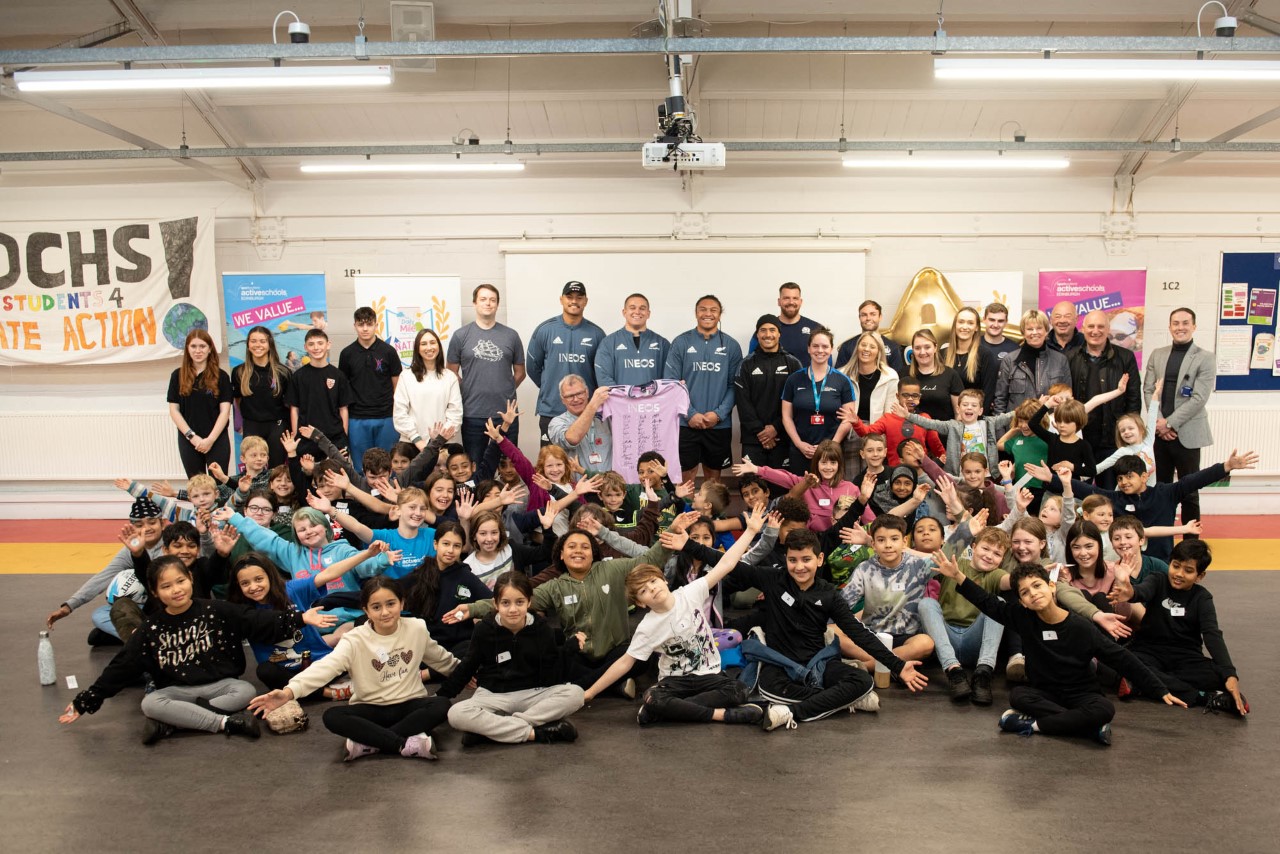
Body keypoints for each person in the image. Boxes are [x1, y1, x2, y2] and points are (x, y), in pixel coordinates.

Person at [60, 556, 323, 745]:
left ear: (190, 579)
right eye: (166, 586)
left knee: (245, 691)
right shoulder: (151, 628)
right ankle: (227, 723)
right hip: (177, 691)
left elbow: (256, 621)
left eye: (180, 581)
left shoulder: (215, 609)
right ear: (154, 592)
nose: (176, 590)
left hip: (222, 687)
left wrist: (299, 619)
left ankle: (175, 722)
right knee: (150, 702)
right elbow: (122, 665)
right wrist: (87, 700)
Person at [934, 555, 1185, 746]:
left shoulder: (1080, 627)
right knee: (1018, 696)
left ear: (1051, 587)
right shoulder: (1022, 618)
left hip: (1081, 693)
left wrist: (1159, 689)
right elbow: (987, 603)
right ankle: (1086, 728)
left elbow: (1122, 658)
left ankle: (1033, 725)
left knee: (1104, 709)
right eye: (1025, 592)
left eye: (1037, 586)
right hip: (1044, 693)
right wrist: (958, 577)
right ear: (1021, 601)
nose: (1033, 594)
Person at [728, 529, 929, 730]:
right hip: (779, 666)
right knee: (773, 689)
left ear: (820, 559)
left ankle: (790, 712)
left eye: (806, 559)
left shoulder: (828, 593)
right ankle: (846, 700)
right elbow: (727, 563)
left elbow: (859, 633)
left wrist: (898, 666)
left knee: (862, 680)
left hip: (819, 664)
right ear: (785, 559)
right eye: (793, 560)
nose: (799, 567)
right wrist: (697, 545)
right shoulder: (772, 579)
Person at [582, 508, 766, 725]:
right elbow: (625, 662)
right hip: (673, 682)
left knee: (738, 690)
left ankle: (670, 711)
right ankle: (721, 715)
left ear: (664, 580)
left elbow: (726, 564)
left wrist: (751, 531)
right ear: (641, 602)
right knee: (653, 697)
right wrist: (590, 693)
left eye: (652, 582)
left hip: (709, 675)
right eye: (643, 591)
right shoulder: (647, 626)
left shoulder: (691, 592)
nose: (651, 589)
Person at [248, 576, 461, 761]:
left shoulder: (416, 628)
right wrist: (288, 692)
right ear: (366, 610)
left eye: (391, 604)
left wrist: (464, 672)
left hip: (409, 704)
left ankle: (371, 742)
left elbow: (440, 658)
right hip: (370, 708)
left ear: (402, 603)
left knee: (441, 705)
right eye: (376, 607)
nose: (385, 612)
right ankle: (405, 744)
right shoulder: (354, 639)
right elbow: (326, 667)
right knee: (332, 716)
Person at [438, 572, 584, 745]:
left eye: (520, 602)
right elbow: (467, 666)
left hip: (533, 694)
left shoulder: (542, 629)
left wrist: (567, 651)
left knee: (576, 694)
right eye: (505, 603)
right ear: (496, 604)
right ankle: (535, 733)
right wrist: (441, 696)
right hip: (493, 695)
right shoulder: (484, 629)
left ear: (529, 602)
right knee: (456, 713)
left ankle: (492, 730)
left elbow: (552, 672)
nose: (513, 609)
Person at [1040, 449, 1258, 562]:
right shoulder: (1115, 500)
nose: (1124, 482)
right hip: (1123, 561)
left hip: (1160, 560)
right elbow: (1087, 491)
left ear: (1144, 476)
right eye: (1119, 479)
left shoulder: (1165, 493)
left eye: (1129, 477)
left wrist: (1226, 466)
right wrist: (1053, 478)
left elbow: (1193, 480)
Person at [1110, 539, 1248, 716]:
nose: (1179, 574)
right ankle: (1202, 697)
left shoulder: (1202, 598)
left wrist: (1230, 674)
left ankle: (1143, 685)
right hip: (1149, 651)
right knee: (1129, 661)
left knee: (1217, 674)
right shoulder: (1157, 580)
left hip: (1186, 657)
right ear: (1170, 563)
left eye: (1188, 570)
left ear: (1200, 576)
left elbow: (1212, 634)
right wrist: (1128, 591)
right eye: (1176, 566)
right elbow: (1140, 592)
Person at [45, 496, 167, 645]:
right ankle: (142, 637)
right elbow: (103, 577)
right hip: (143, 607)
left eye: (152, 522)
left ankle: (132, 636)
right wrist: (69, 606)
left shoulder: (171, 544)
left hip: (166, 604)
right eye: (139, 524)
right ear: (132, 527)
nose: (146, 528)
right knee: (100, 614)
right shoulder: (130, 550)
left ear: (162, 523)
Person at [918, 526, 1010, 706]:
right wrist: (965, 527)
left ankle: (984, 672)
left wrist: (1038, 574)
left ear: (1002, 559)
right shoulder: (955, 563)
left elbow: (1010, 582)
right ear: (973, 547)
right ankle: (954, 671)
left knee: (998, 602)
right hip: (945, 639)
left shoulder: (995, 574)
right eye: (985, 548)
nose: (989, 556)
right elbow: (933, 561)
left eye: (997, 554)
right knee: (927, 603)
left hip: (974, 642)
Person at [1143, 308, 1215, 531]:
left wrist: (1170, 423)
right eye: (1175, 323)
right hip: (1160, 434)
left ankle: (1191, 544)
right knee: (1161, 490)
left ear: (1194, 326)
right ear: (1169, 326)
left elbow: (1198, 398)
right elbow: (1147, 389)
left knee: (1189, 491)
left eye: (1185, 323)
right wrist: (1159, 422)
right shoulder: (1157, 354)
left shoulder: (1205, 358)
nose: (1180, 327)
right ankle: (1162, 540)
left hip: (1188, 435)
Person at [664, 295, 743, 483]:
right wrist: (689, 414)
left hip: (718, 424)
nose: (708, 313)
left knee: (713, 479)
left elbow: (735, 386)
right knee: (687, 476)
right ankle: (686, 513)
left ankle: (710, 513)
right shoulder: (681, 342)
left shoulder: (731, 346)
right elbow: (672, 384)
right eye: (703, 309)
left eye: (713, 310)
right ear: (696, 313)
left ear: (720, 314)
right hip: (686, 423)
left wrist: (718, 414)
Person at [446, 284, 527, 463]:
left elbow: (521, 372)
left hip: (506, 414)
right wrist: (468, 389)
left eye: (492, 300)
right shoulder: (460, 335)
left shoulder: (511, 335)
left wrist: (504, 388)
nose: (488, 303)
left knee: (509, 465)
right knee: (476, 465)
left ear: (497, 304)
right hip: (473, 413)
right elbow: (451, 370)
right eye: (483, 299)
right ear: (474, 303)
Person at [526, 281, 606, 442]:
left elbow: (601, 373)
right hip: (551, 410)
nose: (574, 301)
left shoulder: (597, 334)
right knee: (551, 464)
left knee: (586, 462)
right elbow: (533, 368)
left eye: (579, 297)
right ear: (561, 299)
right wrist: (552, 388)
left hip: (585, 412)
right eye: (569, 297)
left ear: (586, 301)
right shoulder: (545, 330)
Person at [1069, 309, 1142, 484]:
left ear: (1108, 329)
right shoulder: (1070, 357)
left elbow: (1133, 399)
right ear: (1083, 328)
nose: (1096, 331)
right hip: (1080, 438)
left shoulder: (1125, 357)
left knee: (1110, 492)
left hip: (1113, 440)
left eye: (1101, 326)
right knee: (1079, 491)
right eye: (1091, 326)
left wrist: (1128, 434)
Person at [733, 440, 858, 532]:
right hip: (811, 542)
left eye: (833, 462)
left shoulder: (851, 488)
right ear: (817, 464)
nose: (828, 467)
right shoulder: (808, 482)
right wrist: (756, 469)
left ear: (839, 464)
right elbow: (784, 477)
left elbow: (868, 518)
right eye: (824, 462)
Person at [778, 328, 855, 474]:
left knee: (829, 493)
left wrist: (831, 446)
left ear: (831, 349)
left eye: (825, 346)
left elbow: (848, 419)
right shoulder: (793, 379)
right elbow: (786, 416)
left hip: (831, 453)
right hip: (801, 450)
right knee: (801, 493)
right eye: (815, 346)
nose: (820, 350)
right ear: (808, 348)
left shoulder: (843, 381)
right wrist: (799, 444)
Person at [338, 307, 402, 472]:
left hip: (387, 417)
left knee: (387, 466)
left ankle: (387, 497)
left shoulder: (389, 352)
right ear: (355, 326)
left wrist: (396, 412)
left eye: (369, 324)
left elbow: (397, 385)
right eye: (361, 324)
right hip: (357, 419)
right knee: (361, 467)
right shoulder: (347, 354)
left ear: (376, 325)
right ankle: (363, 498)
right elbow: (343, 388)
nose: (365, 328)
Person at [898, 388, 1014, 477]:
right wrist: (908, 415)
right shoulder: (952, 426)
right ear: (958, 409)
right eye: (965, 405)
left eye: (974, 405)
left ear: (980, 411)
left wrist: (1027, 408)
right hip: (958, 475)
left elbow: (1009, 416)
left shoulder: (989, 423)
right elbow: (930, 423)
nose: (969, 408)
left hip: (985, 475)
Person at [167, 328, 233, 477]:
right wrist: (192, 437)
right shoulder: (177, 376)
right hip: (189, 439)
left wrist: (210, 440)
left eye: (202, 346)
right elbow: (174, 410)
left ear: (210, 349)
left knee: (219, 486)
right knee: (197, 485)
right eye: (193, 346)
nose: (198, 351)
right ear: (187, 349)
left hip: (216, 438)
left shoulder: (221, 377)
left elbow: (225, 412)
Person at [844, 375, 946, 468]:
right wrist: (856, 422)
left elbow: (936, 445)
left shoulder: (925, 418)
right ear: (897, 396)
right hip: (895, 471)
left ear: (919, 397)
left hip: (921, 471)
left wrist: (945, 460)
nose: (910, 399)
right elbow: (867, 432)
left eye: (914, 396)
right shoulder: (888, 419)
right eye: (905, 395)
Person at [836, 331, 899, 482]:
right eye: (863, 345)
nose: (866, 349)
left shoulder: (890, 376)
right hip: (849, 431)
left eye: (872, 346)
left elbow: (889, 413)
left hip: (876, 432)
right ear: (857, 348)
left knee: (873, 479)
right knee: (850, 481)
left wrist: (872, 433)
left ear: (879, 351)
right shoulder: (841, 374)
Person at [286, 327, 352, 461]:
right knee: (308, 478)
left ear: (328, 345)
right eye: (311, 344)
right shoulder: (298, 376)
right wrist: (296, 436)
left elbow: (343, 408)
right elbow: (294, 409)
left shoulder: (338, 375)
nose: (316, 347)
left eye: (320, 343)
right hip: (306, 439)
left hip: (334, 438)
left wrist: (343, 435)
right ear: (305, 347)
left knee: (335, 479)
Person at [392, 327, 463, 452]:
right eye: (423, 344)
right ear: (417, 349)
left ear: (439, 346)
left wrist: (439, 440)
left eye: (432, 342)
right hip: (412, 444)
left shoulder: (450, 377)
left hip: (444, 445)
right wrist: (417, 440)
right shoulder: (406, 376)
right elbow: (400, 413)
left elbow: (455, 413)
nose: (429, 347)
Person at [232, 325, 292, 469]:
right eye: (253, 341)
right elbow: (238, 400)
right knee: (253, 470)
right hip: (252, 425)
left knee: (276, 469)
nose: (258, 345)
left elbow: (291, 405)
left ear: (269, 343)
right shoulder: (239, 372)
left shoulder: (283, 372)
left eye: (262, 341)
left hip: (277, 426)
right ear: (248, 344)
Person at [993, 309, 1072, 414]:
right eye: (1030, 329)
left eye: (1039, 328)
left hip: (1050, 426)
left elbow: (1067, 400)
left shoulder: (1060, 360)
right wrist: (1001, 430)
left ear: (1046, 331)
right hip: (1017, 426)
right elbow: (1000, 400)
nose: (1035, 333)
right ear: (1023, 332)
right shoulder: (1010, 360)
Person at [594, 292, 670, 387]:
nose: (637, 312)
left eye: (642, 308)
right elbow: (604, 378)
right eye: (632, 308)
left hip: (653, 402)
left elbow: (669, 379)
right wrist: (622, 398)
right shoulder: (608, 343)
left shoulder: (662, 344)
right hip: (620, 401)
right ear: (624, 312)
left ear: (648, 314)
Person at [747, 282, 822, 367]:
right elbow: (750, 363)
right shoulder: (765, 331)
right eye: (786, 298)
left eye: (795, 298)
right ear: (779, 301)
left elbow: (826, 363)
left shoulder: (816, 329)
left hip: (807, 380)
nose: (791, 302)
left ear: (800, 302)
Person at [548, 376, 613, 474]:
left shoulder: (607, 416)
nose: (576, 399)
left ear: (587, 392)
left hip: (610, 485)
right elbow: (572, 438)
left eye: (579, 393)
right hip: (578, 486)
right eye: (570, 396)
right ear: (562, 399)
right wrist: (593, 405)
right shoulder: (556, 422)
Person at [941, 307, 999, 415]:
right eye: (961, 322)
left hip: (973, 421)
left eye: (970, 323)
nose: (965, 327)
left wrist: (976, 421)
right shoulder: (941, 355)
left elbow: (988, 394)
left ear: (976, 327)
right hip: (945, 422)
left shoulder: (985, 355)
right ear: (955, 325)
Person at [835, 300, 906, 374]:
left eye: (873, 314)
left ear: (880, 317)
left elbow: (898, 379)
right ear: (859, 318)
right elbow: (839, 378)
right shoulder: (847, 346)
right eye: (864, 315)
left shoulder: (893, 347)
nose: (868, 318)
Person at [907, 329, 963, 421]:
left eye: (927, 347)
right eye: (917, 348)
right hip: (912, 433)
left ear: (935, 347)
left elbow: (959, 413)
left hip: (943, 433)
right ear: (912, 349)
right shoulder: (903, 374)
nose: (922, 352)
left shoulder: (950, 375)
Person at [979, 301, 1021, 366]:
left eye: (1000, 321)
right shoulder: (973, 345)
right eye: (992, 320)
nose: (996, 325)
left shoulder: (1015, 349)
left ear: (1006, 322)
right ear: (984, 319)